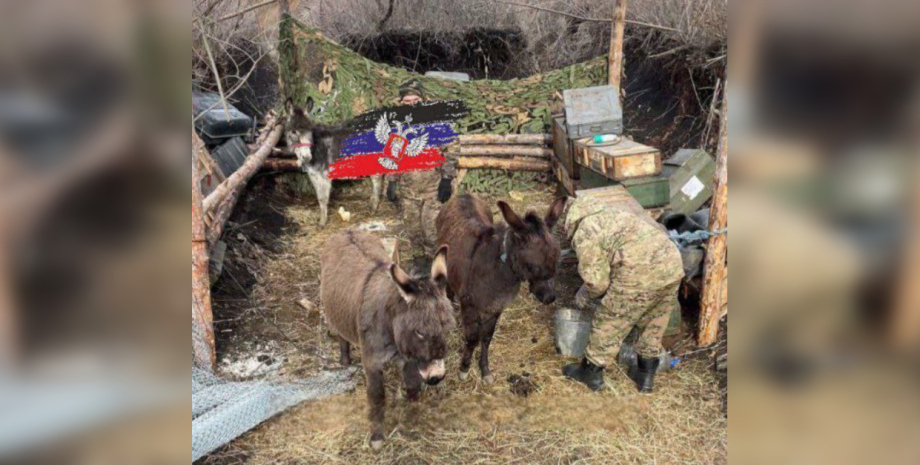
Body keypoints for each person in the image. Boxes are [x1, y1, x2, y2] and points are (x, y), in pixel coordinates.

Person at [561, 196, 685, 392]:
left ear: (571, 218)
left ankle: (591, 372)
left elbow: (597, 282)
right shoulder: (615, 215)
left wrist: (583, 294)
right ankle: (645, 376)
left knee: (611, 318)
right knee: (654, 321)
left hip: (639, 273)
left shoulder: (586, 229)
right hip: (672, 264)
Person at [389, 78, 455, 254]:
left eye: (415, 101)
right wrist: (392, 182)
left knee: (431, 232)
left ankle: (437, 266)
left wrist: (447, 179)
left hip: (432, 190)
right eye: (407, 102)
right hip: (408, 192)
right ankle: (419, 264)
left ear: (424, 101)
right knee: (413, 232)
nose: (411, 105)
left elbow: (451, 151)